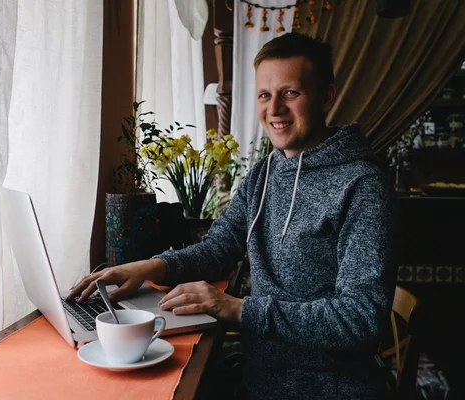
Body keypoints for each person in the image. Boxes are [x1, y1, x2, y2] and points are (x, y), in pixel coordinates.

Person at [68, 32, 397, 400]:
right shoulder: (264, 173)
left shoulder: (363, 185)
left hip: (327, 389)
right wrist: (150, 267)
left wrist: (237, 308)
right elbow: (218, 248)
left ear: (327, 97)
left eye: (291, 93)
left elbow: (361, 319)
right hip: (260, 377)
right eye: (264, 95)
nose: (274, 109)